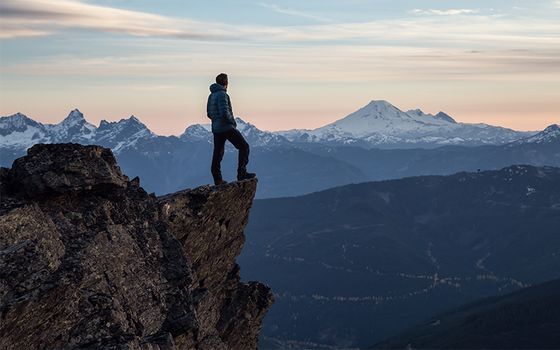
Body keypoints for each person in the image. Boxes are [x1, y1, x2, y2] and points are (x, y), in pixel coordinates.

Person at [207, 73, 256, 185]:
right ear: (226, 83)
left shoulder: (211, 95)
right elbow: (225, 112)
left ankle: (217, 179)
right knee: (244, 147)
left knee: (218, 153)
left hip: (216, 129)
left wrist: (216, 121)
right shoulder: (222, 95)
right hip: (227, 127)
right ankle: (241, 173)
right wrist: (232, 122)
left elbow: (209, 113)